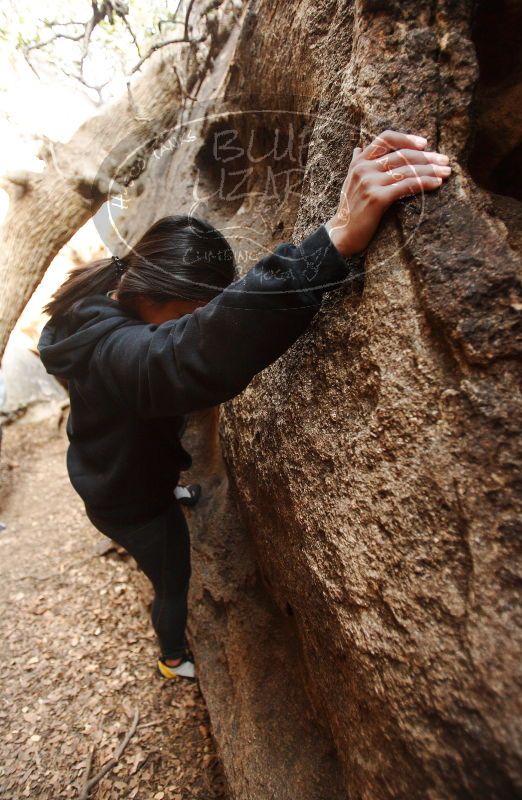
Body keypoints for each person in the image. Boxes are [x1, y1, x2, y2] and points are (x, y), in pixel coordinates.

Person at [38, 129, 451, 680]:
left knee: (157, 465)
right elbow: (180, 356)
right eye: (194, 311)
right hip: (127, 503)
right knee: (173, 573)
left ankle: (169, 487)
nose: (203, 319)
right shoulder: (118, 354)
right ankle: (171, 656)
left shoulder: (100, 301)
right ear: (153, 296)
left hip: (118, 464)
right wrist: (330, 242)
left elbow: (172, 349)